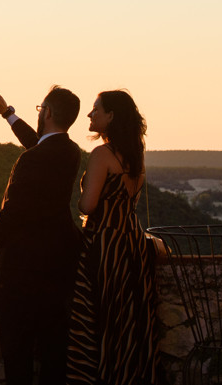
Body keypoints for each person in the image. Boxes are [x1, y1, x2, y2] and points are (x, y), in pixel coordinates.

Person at [0, 86, 83, 385]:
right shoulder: (70, 151)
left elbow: (15, 206)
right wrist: (7, 114)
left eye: (40, 109)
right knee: (54, 349)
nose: (39, 113)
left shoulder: (32, 160)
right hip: (60, 262)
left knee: (18, 350)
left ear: (48, 113)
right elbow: (39, 145)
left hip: (22, 269)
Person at [66, 91, 157, 385]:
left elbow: (88, 206)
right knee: (127, 320)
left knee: (99, 319)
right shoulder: (135, 155)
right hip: (131, 241)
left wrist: (79, 195)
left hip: (104, 243)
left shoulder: (102, 155)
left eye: (96, 109)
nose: (90, 114)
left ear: (111, 116)